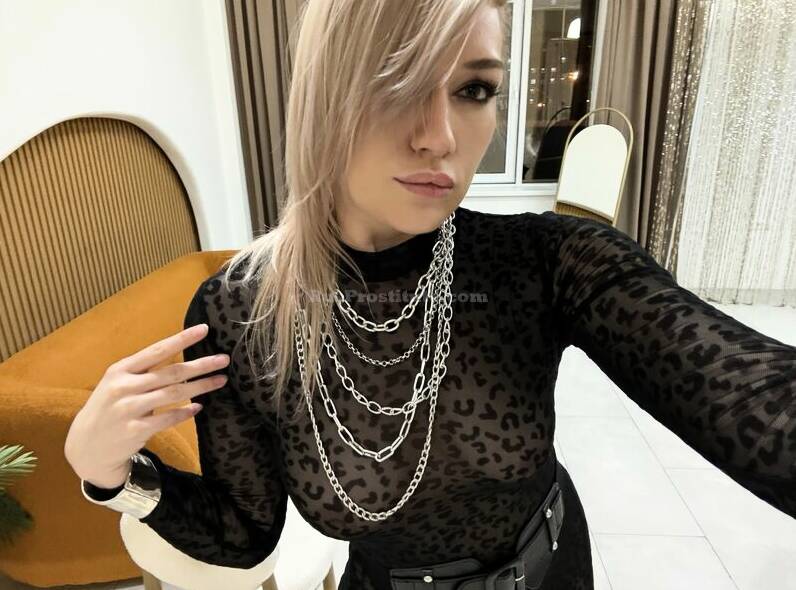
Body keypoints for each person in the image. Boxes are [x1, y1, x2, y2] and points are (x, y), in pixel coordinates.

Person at [64, 1, 796, 589]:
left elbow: (757, 403)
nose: (440, 136)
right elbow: (241, 534)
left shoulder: (544, 264)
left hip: (553, 571)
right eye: (399, 81)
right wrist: (110, 475)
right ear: (325, 94)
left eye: (474, 89)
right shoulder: (243, 315)